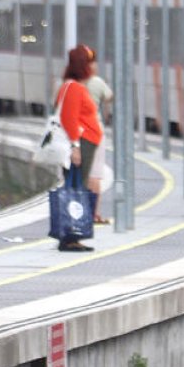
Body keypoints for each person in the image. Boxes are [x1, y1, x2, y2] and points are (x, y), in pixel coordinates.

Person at [55, 44, 103, 251]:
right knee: (76, 190)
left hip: (85, 143)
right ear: (84, 65)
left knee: (76, 188)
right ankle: (69, 237)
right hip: (81, 144)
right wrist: (75, 147)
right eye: (91, 62)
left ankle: (71, 236)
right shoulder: (74, 88)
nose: (95, 66)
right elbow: (69, 118)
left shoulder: (71, 86)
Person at [84, 73, 113, 225]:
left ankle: (77, 212)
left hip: (75, 132)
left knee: (77, 175)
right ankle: (93, 214)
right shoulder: (96, 81)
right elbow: (109, 97)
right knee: (94, 175)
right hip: (94, 130)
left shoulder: (69, 83)